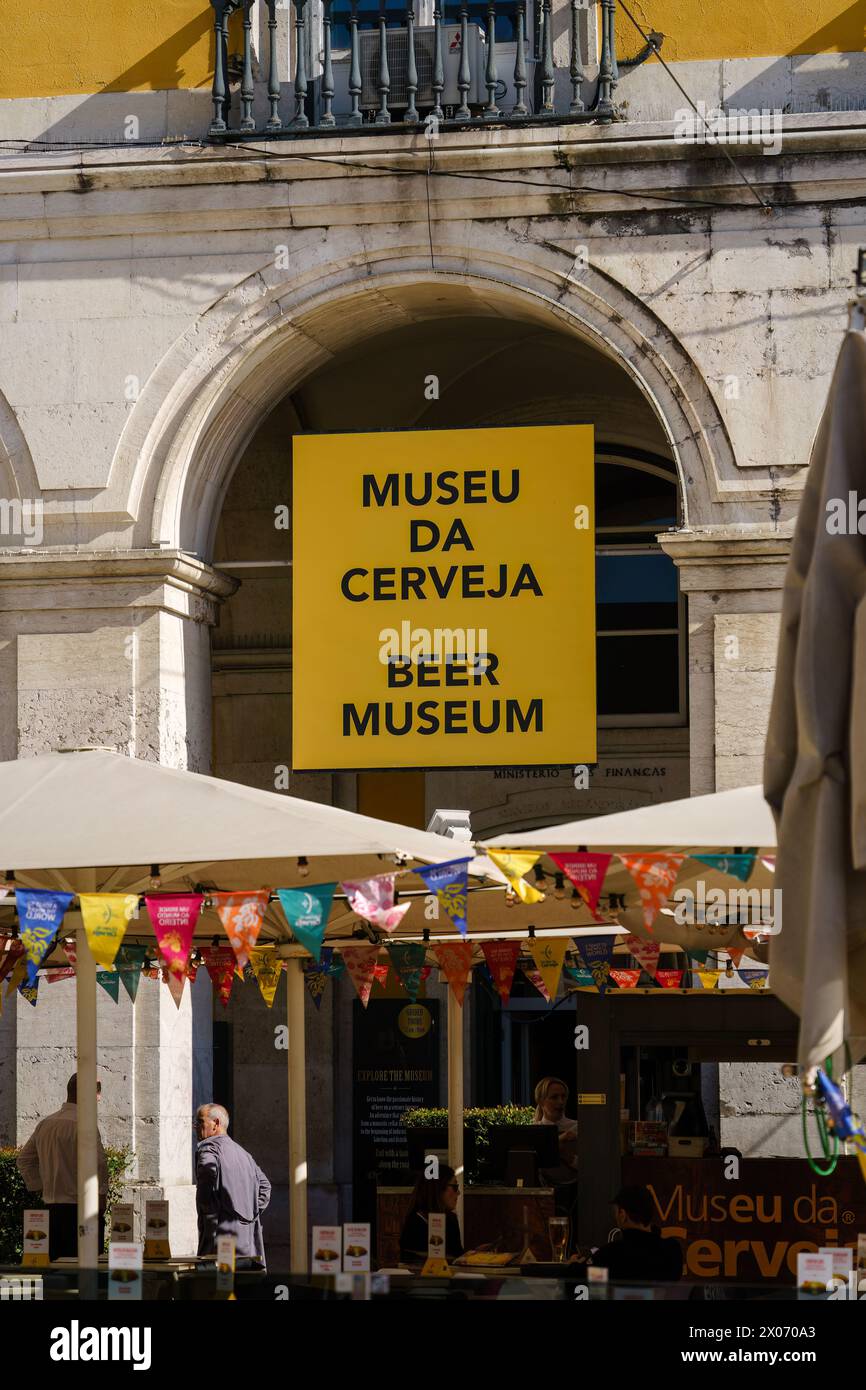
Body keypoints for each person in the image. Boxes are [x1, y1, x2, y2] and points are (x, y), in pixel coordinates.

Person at [16, 1074, 108, 1260]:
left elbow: (25, 1159)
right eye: (97, 1094)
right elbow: (99, 1164)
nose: (98, 1099)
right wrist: (102, 1196)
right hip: (82, 1210)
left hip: (51, 1210)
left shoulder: (46, 1124)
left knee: (55, 1269)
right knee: (85, 1269)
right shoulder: (84, 1125)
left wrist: (40, 1186)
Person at [195, 1103, 272, 1267]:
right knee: (239, 1288)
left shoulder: (209, 1149)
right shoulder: (243, 1154)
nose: (196, 1126)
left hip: (219, 1242)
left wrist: (211, 1211)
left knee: (216, 1288)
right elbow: (265, 1186)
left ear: (216, 1124)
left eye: (200, 1122)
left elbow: (207, 1175)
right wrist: (248, 1214)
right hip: (247, 1244)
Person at [590, 1185, 683, 1282]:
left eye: (616, 1212)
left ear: (622, 1214)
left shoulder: (607, 1255)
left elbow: (595, 1290)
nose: (615, 1217)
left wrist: (574, 1266)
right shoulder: (672, 1250)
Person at [399, 1164, 464, 1265]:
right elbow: (413, 1261)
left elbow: (457, 1255)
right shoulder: (415, 1223)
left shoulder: (451, 1220)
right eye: (455, 1187)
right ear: (438, 1188)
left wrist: (475, 1254)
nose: (458, 1193)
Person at [533, 1076, 578, 1184]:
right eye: (554, 1097)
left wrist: (567, 1156)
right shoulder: (533, 1130)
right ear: (541, 1101)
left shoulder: (577, 1128)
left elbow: (593, 1168)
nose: (561, 1101)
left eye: (563, 1097)